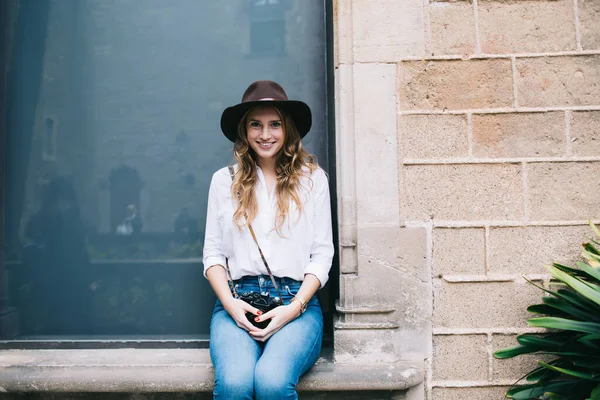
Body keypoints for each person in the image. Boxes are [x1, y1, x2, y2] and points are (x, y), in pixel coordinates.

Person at [203, 80, 334, 399]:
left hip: (296, 304)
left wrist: (295, 307)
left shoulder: (312, 179)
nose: (265, 134)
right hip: (238, 302)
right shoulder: (224, 182)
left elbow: (322, 254)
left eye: (274, 124)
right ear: (244, 131)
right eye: (255, 125)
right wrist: (232, 305)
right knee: (234, 385)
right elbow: (213, 255)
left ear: (287, 129)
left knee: (272, 382)